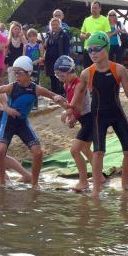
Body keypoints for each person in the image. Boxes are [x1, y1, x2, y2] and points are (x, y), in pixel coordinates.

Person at [0, 56, 67, 189]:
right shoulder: (12, 87)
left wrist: (68, 109)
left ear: (29, 73)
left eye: (19, 73)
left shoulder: (36, 89)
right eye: (15, 72)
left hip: (22, 124)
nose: (16, 76)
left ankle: (34, 184)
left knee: (38, 152)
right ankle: (2, 181)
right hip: (8, 123)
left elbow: (54, 96)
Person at [78, 32, 128, 198]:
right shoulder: (86, 73)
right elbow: (79, 95)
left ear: (106, 48)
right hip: (99, 116)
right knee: (98, 152)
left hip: (117, 114)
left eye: (96, 49)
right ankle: (96, 189)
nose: (93, 53)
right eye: (90, 50)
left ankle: (125, 183)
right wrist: (70, 110)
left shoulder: (119, 69)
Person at [54, 55, 96, 192]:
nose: (60, 79)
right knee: (85, 149)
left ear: (70, 71)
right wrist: (72, 116)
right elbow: (74, 107)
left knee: (75, 150)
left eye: (61, 75)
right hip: (85, 119)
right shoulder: (67, 84)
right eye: (57, 76)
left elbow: (75, 107)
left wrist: (64, 107)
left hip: (91, 120)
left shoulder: (79, 84)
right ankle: (99, 176)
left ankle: (83, 182)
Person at [42, 17, 71, 96]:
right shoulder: (48, 34)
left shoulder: (64, 34)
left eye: (56, 24)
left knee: (60, 78)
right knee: (52, 77)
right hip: (50, 60)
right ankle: (54, 95)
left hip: (59, 59)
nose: (54, 26)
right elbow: (45, 46)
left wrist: (64, 59)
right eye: (52, 24)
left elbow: (67, 48)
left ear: (59, 25)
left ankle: (62, 94)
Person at [80, 1, 110, 67]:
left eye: (95, 8)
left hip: (100, 50)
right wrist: (86, 36)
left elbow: (108, 36)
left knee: (100, 70)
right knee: (87, 70)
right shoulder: (86, 20)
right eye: (92, 8)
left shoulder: (105, 20)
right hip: (88, 50)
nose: (93, 10)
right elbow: (81, 35)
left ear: (100, 9)